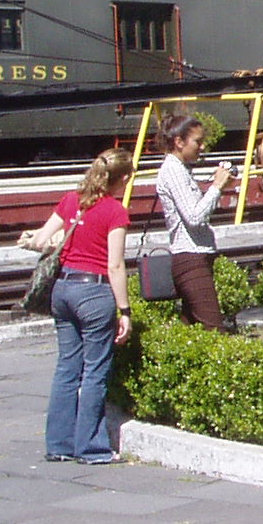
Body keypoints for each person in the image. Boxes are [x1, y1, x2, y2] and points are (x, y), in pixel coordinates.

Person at [32, 147, 135, 464]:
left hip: (62, 290)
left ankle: (58, 444)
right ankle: (92, 448)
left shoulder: (70, 200)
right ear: (123, 178)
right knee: (94, 372)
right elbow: (115, 265)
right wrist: (125, 311)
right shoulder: (115, 212)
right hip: (93, 293)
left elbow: (40, 241)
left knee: (67, 368)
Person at [153, 114, 235, 331]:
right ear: (179, 142)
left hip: (195, 256)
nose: (202, 146)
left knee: (192, 328)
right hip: (190, 257)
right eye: (197, 141)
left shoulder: (181, 169)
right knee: (213, 328)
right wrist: (216, 187)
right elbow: (195, 217)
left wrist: (217, 187)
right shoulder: (173, 170)